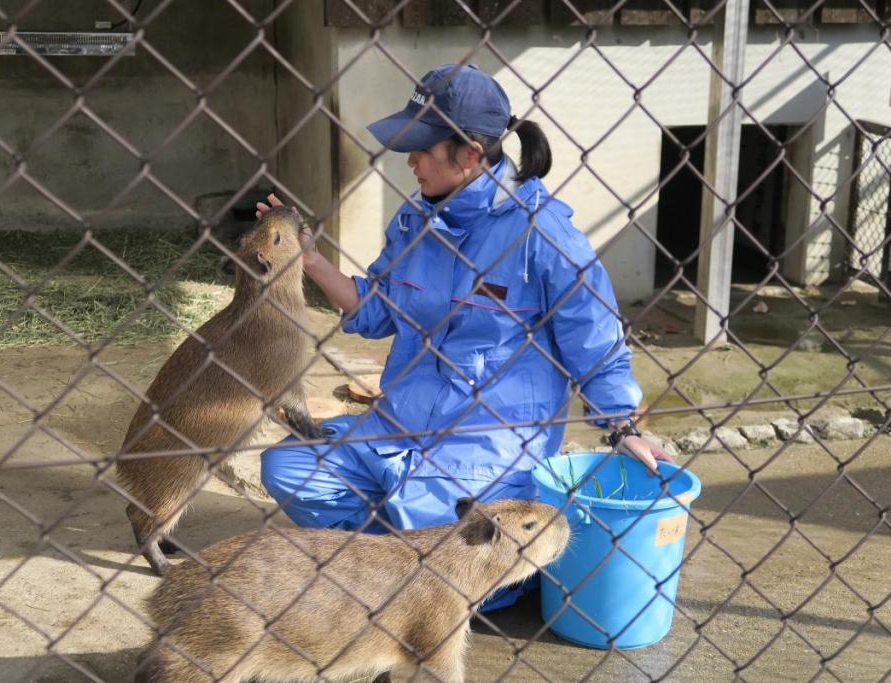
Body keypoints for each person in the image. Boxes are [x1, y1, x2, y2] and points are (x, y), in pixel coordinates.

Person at [256, 63, 672, 606]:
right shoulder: (415, 223)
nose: (411, 162)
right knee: (287, 467)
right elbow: (378, 308)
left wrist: (622, 425)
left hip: (482, 450)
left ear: (471, 154)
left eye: (424, 148)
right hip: (398, 427)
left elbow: (596, 341)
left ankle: (438, 573)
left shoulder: (543, 235)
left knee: (460, 558)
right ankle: (400, 566)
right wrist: (311, 262)